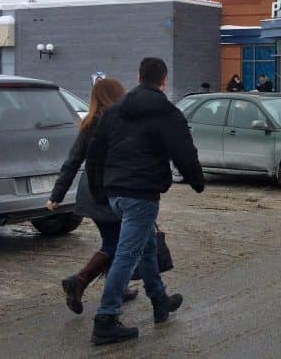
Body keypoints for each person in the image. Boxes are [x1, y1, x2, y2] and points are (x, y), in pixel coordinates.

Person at [85, 57, 206, 346]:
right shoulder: (166, 113)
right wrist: (197, 182)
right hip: (140, 195)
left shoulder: (114, 113)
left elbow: (95, 154)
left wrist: (100, 191)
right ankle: (105, 318)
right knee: (127, 254)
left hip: (115, 193)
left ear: (139, 78)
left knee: (147, 246)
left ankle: (159, 300)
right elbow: (184, 152)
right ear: (163, 81)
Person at [47, 78, 139, 314]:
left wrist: (56, 195)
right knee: (117, 243)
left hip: (90, 194)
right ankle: (79, 281)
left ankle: (117, 286)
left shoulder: (88, 124)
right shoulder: (119, 124)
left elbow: (72, 161)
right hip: (111, 193)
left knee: (115, 241)